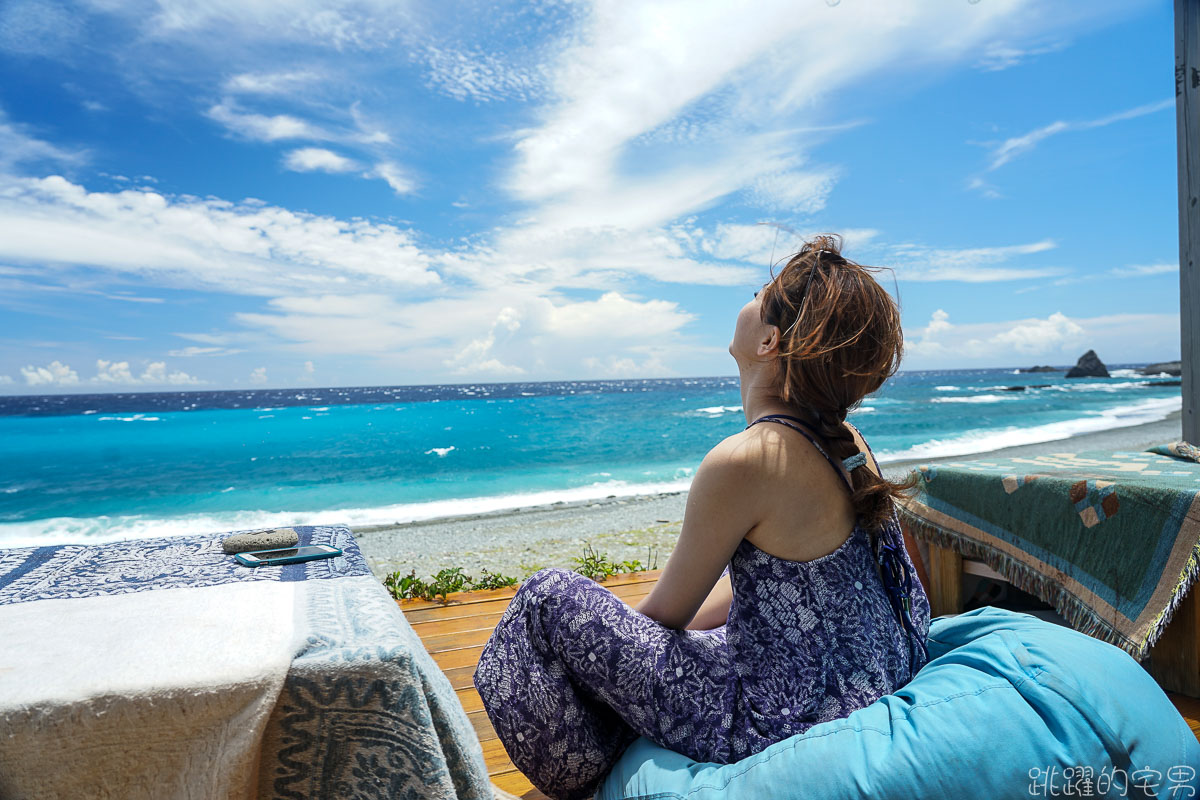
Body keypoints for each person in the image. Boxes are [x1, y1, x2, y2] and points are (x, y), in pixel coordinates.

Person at [473, 234, 931, 800]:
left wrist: (610, 664)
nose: (751, 296)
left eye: (760, 293)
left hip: (782, 712)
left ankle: (580, 777)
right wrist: (650, 643)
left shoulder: (748, 459)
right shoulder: (842, 440)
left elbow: (664, 614)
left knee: (545, 600)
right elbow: (776, 589)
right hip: (859, 674)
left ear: (769, 341)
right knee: (663, 634)